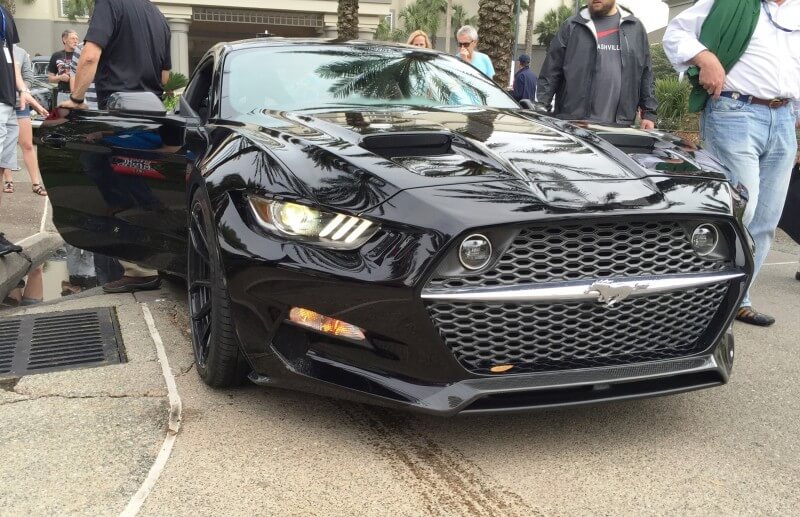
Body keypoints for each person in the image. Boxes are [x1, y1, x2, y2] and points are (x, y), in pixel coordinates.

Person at [663, 0, 800, 326]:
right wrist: (706, 57)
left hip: (783, 118)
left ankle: (738, 299)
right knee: (741, 210)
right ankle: (702, 302)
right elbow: (676, 33)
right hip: (735, 112)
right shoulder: (730, 2)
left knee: (766, 220)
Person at [59, 0, 171, 294]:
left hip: (122, 105)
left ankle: (140, 269)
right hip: (153, 108)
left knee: (104, 170)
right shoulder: (157, 15)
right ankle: (157, 251)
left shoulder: (111, 3)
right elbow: (164, 77)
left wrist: (77, 99)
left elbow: (89, 57)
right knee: (136, 177)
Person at [536, 0, 657, 129]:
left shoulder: (635, 28)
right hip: (574, 123)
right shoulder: (572, 26)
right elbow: (550, 72)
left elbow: (645, 73)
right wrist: (542, 110)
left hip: (620, 126)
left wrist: (649, 114)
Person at [0, 5, 47, 257]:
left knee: (1, 166)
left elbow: (12, 59)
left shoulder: (5, 14)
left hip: (9, 102)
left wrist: (24, 92)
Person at [2, 45, 47, 197]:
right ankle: (8, 180)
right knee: (5, 146)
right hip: (3, 103)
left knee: (27, 144)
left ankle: (36, 183)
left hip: (19, 104)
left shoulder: (20, 52)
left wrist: (21, 89)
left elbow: (28, 78)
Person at [48, 29, 79, 102]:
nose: (75, 41)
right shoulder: (56, 55)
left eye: (77, 39)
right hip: (63, 94)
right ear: (64, 40)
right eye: (72, 38)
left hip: (79, 94)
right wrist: (60, 77)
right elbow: (50, 78)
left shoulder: (81, 54)